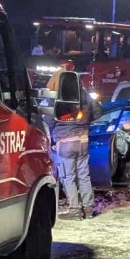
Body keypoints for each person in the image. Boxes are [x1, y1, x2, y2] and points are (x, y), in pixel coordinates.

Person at [51, 85, 102, 219]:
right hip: (83, 140)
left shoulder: (57, 95)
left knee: (68, 177)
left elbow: (46, 118)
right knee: (84, 176)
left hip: (65, 141)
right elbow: (97, 112)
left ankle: (74, 211)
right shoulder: (83, 95)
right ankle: (88, 209)